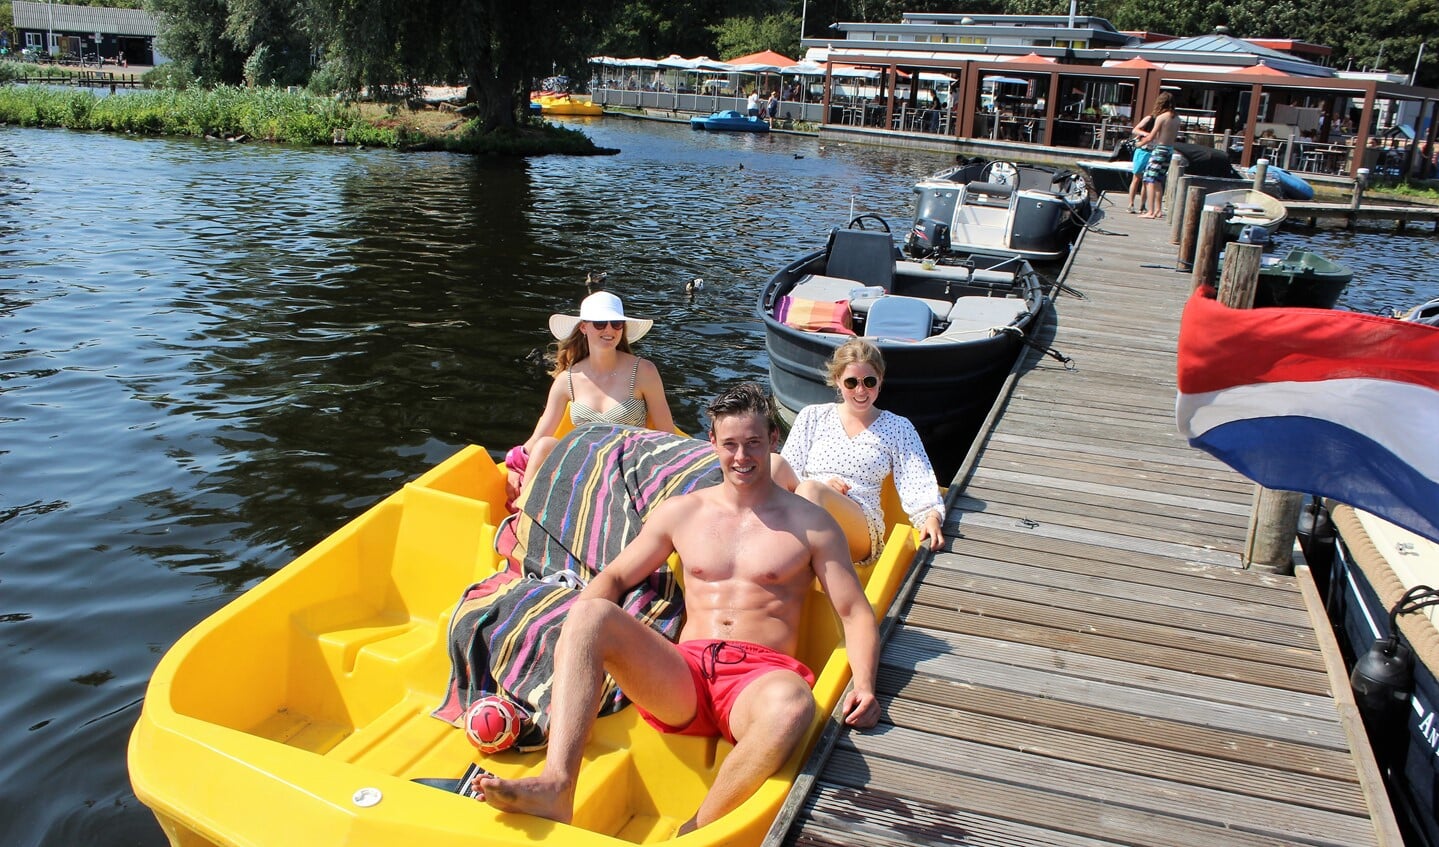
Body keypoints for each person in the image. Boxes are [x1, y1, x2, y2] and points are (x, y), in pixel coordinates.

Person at [476, 382, 881, 834]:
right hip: (684, 673)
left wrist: (864, 684)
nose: (741, 457)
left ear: (773, 440)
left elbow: (854, 612)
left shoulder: (811, 524)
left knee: (793, 705)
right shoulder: (682, 512)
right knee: (591, 615)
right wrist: (574, 634)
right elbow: (614, 577)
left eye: (752, 443)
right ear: (712, 443)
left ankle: (697, 829)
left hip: (758, 681)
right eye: (729, 445)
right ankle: (556, 785)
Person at [772, 338, 945, 565]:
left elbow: (916, 479)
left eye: (869, 381)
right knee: (774, 463)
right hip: (805, 506)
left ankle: (779, 565)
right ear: (837, 381)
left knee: (812, 491)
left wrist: (931, 517)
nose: (861, 390)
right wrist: (823, 485)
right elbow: (789, 472)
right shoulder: (812, 416)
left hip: (860, 523)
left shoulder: (897, 427)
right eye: (851, 382)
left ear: (880, 381)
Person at [507, 291, 675, 505]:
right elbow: (539, 437)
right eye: (599, 323)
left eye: (616, 323)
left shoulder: (644, 371)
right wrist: (513, 468)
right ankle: (523, 520)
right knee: (545, 445)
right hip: (585, 468)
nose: (609, 330)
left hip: (631, 469)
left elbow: (667, 434)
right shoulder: (567, 380)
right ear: (584, 327)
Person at [1134, 91, 1178, 220]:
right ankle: (1158, 210)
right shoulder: (1176, 118)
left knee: (1149, 179)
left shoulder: (1161, 117)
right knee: (1158, 179)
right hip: (1169, 150)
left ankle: (1151, 211)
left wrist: (1140, 143)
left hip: (1160, 150)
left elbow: (1151, 136)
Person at [1126, 111, 1155, 214]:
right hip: (1142, 150)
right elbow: (1135, 130)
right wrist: (1148, 134)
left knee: (1146, 180)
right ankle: (1131, 204)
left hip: (1153, 151)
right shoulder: (1149, 118)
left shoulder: (1164, 121)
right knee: (1136, 177)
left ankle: (1142, 206)